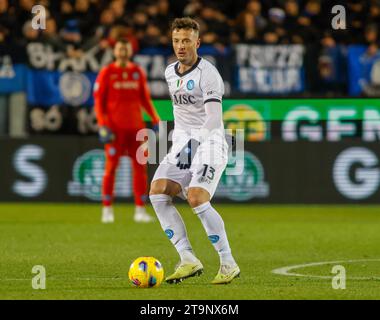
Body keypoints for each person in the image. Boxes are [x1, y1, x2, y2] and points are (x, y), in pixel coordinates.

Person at [149, 17, 240, 285]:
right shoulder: (169, 72)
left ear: (197, 43)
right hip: (182, 145)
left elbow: (212, 119)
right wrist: (181, 144)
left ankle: (228, 263)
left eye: (186, 40)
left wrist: (193, 145)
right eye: (176, 40)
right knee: (157, 191)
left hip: (210, 143)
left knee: (198, 197)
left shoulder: (208, 74)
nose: (180, 45)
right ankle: (187, 258)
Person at [94, 38, 160, 223]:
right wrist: (102, 125)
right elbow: (99, 102)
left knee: (140, 169)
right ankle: (107, 210)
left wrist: (155, 119)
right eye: (120, 49)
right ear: (115, 51)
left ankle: (140, 210)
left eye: (125, 49)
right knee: (111, 169)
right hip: (115, 131)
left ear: (129, 51)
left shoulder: (137, 72)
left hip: (136, 130)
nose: (123, 52)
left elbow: (145, 99)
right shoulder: (107, 72)